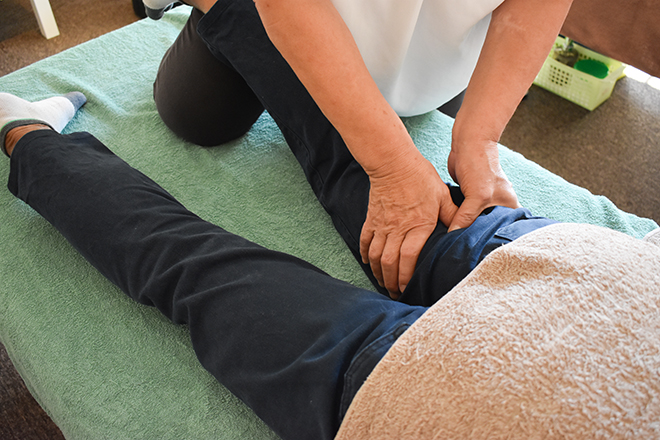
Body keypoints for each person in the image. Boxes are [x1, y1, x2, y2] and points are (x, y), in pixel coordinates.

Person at [2, 91, 660, 438]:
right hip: (580, 298)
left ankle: (27, 131)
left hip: (568, 308)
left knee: (198, 259)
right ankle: (30, 131)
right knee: (199, 260)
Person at [145, 0, 575, 297]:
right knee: (196, 115)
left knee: (412, 107)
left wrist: (478, 139)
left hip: (433, 31)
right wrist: (393, 168)